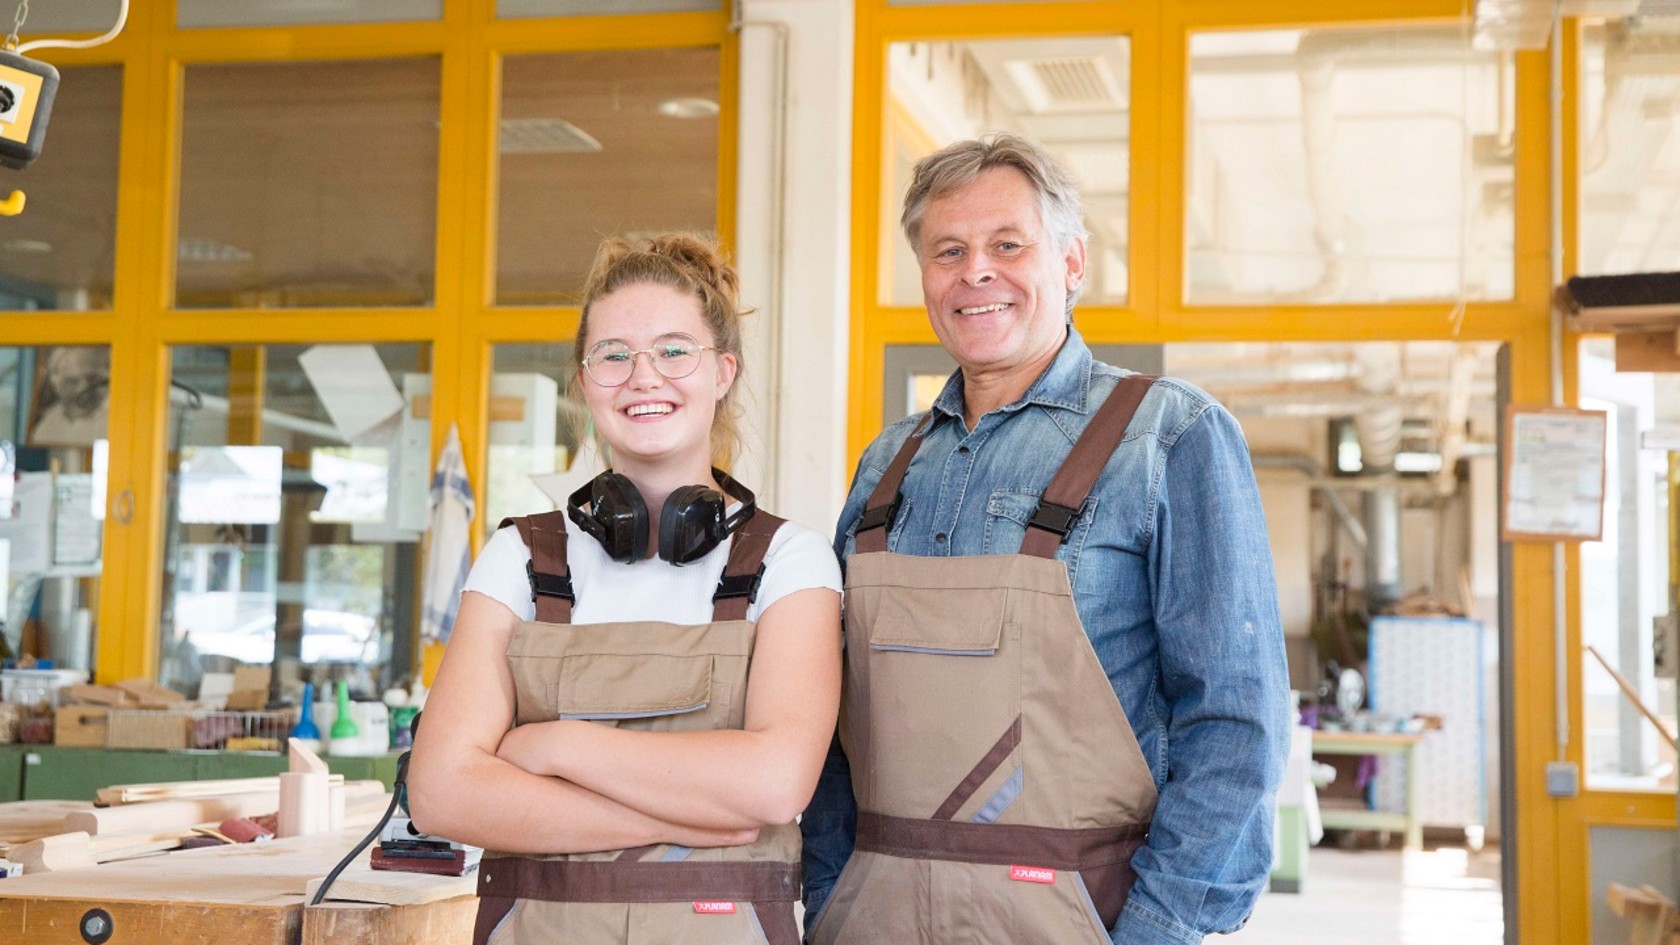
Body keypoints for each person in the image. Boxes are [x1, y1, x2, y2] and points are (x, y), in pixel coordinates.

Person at [800, 134, 1290, 945]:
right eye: (947, 250)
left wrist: (1155, 932)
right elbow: (835, 719)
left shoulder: (1170, 436)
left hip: (1080, 920)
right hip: (874, 919)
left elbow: (1236, 725)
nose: (975, 272)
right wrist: (829, 896)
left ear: (1071, 265)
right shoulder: (887, 464)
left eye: (1007, 244)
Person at [409, 233, 842, 945]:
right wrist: (691, 814)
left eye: (674, 350)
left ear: (723, 371)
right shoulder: (520, 556)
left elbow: (773, 783)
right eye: (613, 354)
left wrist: (550, 745)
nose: (644, 377)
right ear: (585, 381)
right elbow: (441, 791)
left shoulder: (790, 560)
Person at [28, 345, 110, 448]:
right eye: (72, 381)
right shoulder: (48, 423)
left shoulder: (109, 419)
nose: (82, 388)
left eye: (91, 379)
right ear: (57, 384)